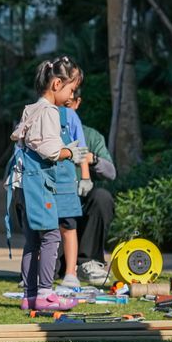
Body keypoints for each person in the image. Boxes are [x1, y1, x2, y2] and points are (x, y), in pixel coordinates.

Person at [7, 56, 89, 312]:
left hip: (21, 185)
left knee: (32, 239)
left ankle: (30, 295)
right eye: (70, 89)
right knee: (52, 235)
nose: (72, 95)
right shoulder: (49, 112)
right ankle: (45, 293)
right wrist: (70, 153)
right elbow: (51, 151)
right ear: (56, 84)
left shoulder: (31, 108)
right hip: (37, 185)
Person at [67, 92, 117, 287]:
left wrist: (92, 159)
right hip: (56, 206)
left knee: (102, 197)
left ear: (78, 103)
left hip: (82, 205)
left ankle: (88, 261)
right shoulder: (46, 132)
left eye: (69, 104)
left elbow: (111, 173)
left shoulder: (91, 135)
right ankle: (42, 267)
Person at [58, 92, 93, 290]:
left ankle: (71, 273)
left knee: (68, 226)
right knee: (40, 230)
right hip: (41, 181)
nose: (71, 94)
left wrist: (86, 177)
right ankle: (35, 274)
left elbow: (81, 148)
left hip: (65, 180)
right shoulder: (34, 112)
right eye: (69, 89)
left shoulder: (69, 116)